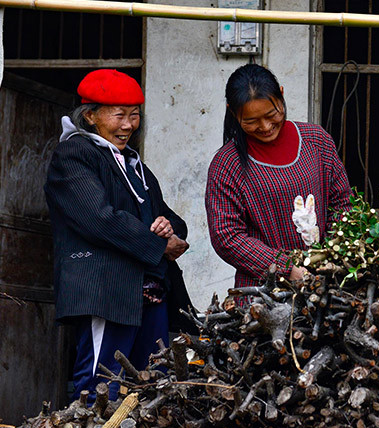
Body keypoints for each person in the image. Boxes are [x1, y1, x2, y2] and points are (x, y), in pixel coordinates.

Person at [44, 69, 192, 401]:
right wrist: (158, 242)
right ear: (90, 116)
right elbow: (99, 219)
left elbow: (171, 220)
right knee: (99, 384)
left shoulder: (135, 166)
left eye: (135, 115)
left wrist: (171, 232)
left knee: (154, 385)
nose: (128, 125)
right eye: (119, 115)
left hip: (150, 294)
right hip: (106, 292)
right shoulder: (74, 155)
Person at [206, 64, 352, 288]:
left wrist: (331, 255)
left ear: (281, 95)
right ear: (233, 112)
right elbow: (227, 237)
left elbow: (342, 203)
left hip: (325, 283)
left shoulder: (317, 140)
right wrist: (285, 268)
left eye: (271, 114)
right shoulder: (227, 164)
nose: (265, 126)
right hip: (263, 293)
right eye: (251, 121)